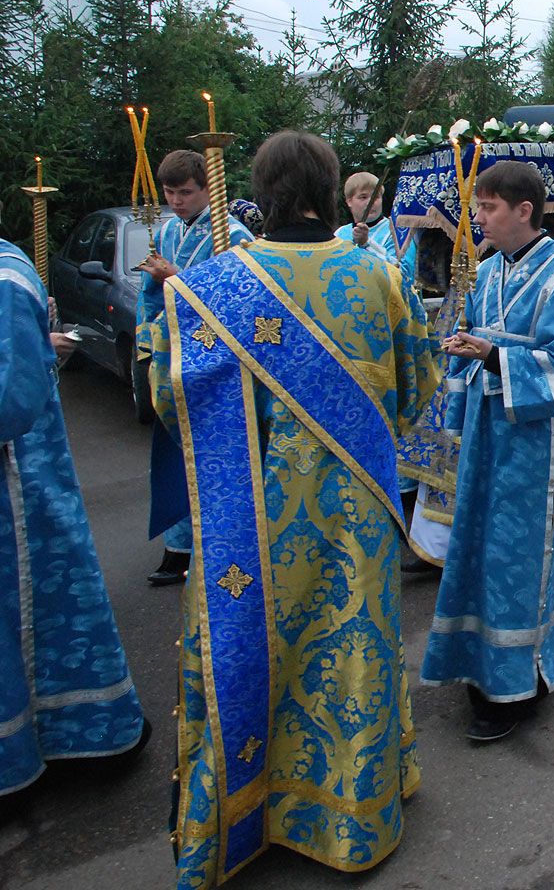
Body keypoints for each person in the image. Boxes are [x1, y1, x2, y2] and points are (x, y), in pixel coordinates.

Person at [147, 130, 438, 883]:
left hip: (252, 516)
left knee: (256, 647)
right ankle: (353, 811)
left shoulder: (213, 283)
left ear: (263, 189)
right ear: (329, 187)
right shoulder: (378, 275)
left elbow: (170, 400)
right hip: (357, 509)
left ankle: (250, 810)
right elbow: (418, 386)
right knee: (353, 646)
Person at [421, 161, 554, 741]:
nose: (477, 219)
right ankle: (482, 658)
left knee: (520, 556)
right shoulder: (489, 270)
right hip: (486, 437)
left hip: (534, 446)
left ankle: (517, 680)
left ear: (524, 211)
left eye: (488, 208)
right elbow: (474, 339)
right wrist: (464, 364)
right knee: (480, 545)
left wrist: (493, 356)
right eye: (477, 207)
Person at [1, 241, 149, 799]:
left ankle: (76, 732)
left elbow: (12, 398)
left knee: (43, 600)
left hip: (21, 481)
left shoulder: (7, 280)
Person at [136, 149, 255, 587]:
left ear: (209, 188)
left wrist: (174, 278)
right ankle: (178, 545)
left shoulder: (234, 235)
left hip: (214, 365)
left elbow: (236, 303)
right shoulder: (168, 231)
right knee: (174, 453)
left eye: (185, 192)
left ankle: (215, 546)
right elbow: (150, 294)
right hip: (172, 357)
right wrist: (146, 341)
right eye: (170, 192)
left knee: (213, 455)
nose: (176, 201)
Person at [336, 171, 419, 275]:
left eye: (376, 197)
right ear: (349, 201)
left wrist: (367, 244)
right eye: (363, 197)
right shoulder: (339, 234)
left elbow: (403, 274)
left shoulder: (399, 233)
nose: (370, 202)